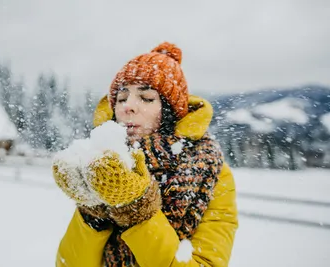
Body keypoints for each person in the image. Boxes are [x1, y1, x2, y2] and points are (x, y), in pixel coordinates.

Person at [53, 42, 238, 267]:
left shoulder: (212, 171)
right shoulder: (102, 166)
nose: (127, 107)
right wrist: (92, 210)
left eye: (147, 98)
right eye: (121, 98)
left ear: (169, 111)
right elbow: (67, 264)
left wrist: (137, 210)